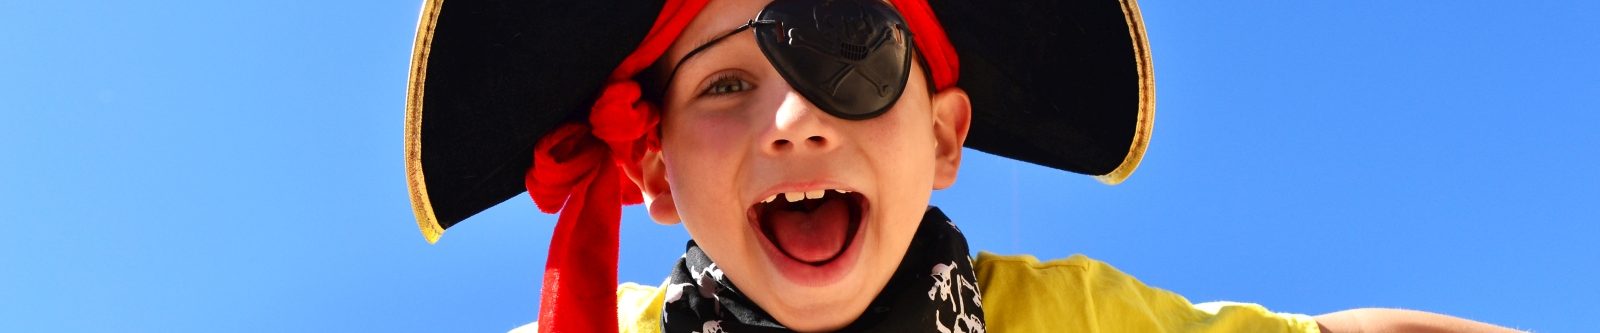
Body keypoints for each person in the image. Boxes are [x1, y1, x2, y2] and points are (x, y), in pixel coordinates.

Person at [402, 0, 1524, 332]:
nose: (791, 119)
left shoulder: (1062, 320)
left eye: (852, 55)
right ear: (648, 170)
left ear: (940, 138)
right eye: (725, 86)